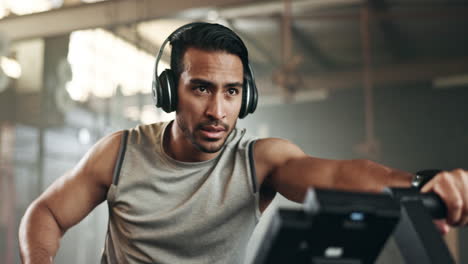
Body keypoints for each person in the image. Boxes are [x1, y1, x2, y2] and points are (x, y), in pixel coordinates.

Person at [19, 22, 468, 264]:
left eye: (231, 91)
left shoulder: (259, 161)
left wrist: (421, 183)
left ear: (246, 95)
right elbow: (46, 213)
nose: (218, 110)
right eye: (201, 89)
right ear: (170, 91)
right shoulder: (119, 153)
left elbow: (341, 175)